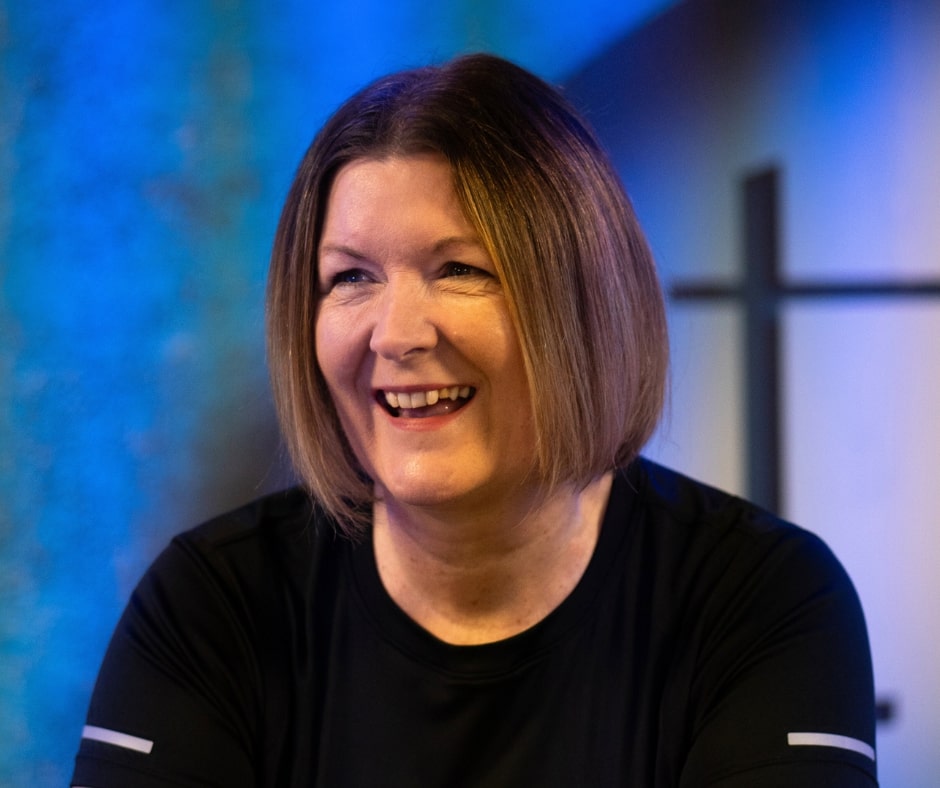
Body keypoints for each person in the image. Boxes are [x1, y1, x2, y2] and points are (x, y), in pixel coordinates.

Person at [71, 53, 877, 787]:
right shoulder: (210, 605)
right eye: (351, 278)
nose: (396, 335)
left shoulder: (763, 599)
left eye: (459, 269)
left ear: (584, 304)